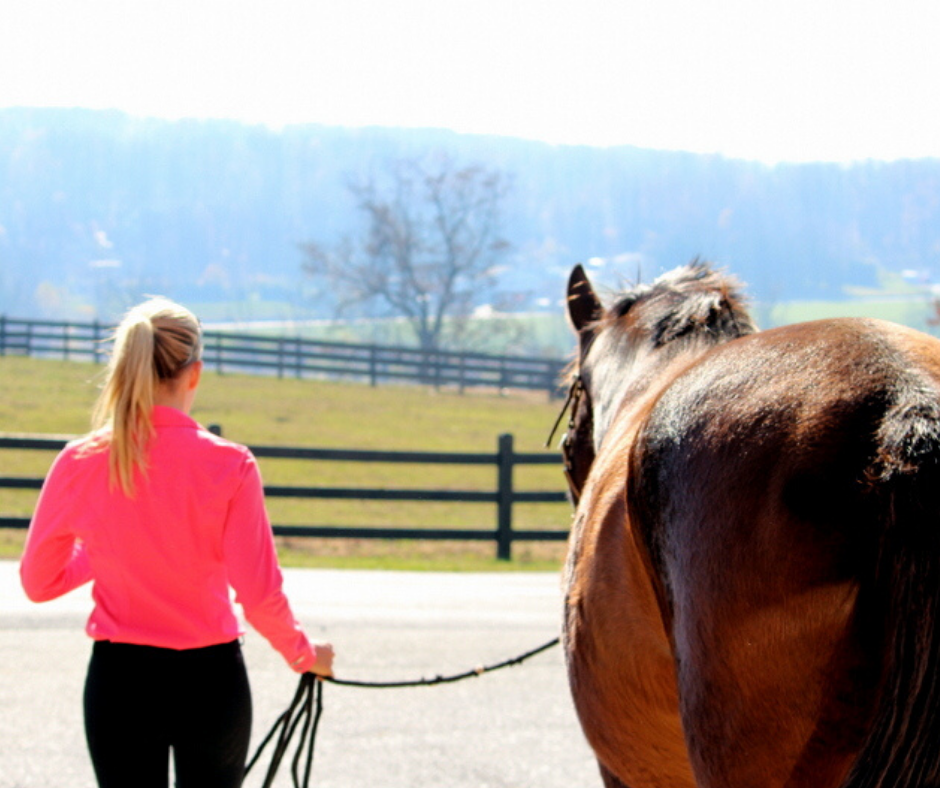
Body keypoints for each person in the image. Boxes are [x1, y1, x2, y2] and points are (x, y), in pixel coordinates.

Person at [19, 297, 334, 788]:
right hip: (210, 682)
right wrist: (303, 654)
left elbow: (40, 583)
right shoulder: (230, 465)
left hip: (120, 681)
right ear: (195, 374)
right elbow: (258, 594)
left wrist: (104, 550)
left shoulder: (81, 460)